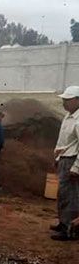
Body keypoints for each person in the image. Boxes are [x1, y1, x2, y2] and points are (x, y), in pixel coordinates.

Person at [51, 86, 79, 241]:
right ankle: (63, 222)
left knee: (71, 196)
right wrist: (57, 159)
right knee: (63, 194)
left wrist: (76, 167)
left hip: (72, 160)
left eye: (68, 100)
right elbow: (62, 141)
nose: (64, 103)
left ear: (77, 100)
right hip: (64, 159)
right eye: (63, 100)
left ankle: (70, 229)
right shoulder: (68, 116)